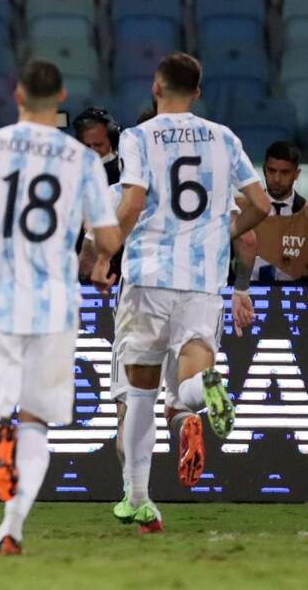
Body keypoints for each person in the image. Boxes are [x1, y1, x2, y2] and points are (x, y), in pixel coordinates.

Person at [90, 52, 271, 534]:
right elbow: (260, 206)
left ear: (155, 87)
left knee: (141, 396)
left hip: (148, 277)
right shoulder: (224, 138)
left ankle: (139, 500)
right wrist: (227, 228)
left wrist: (107, 252)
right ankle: (206, 388)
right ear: (198, 90)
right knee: (190, 376)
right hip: (202, 282)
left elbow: (130, 203)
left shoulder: (138, 137)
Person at [0, 59, 122, 556]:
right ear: (61, 95)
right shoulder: (84, 161)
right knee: (37, 422)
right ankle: (12, 528)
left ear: (17, 93)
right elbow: (108, 235)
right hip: (53, 306)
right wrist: (95, 244)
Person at [79, 186, 257, 521]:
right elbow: (247, 241)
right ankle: (199, 397)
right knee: (180, 401)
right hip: (200, 297)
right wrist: (242, 289)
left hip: (144, 297)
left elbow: (93, 245)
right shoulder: (213, 182)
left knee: (132, 407)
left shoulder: (125, 188)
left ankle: (136, 498)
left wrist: (91, 269)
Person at [251, 141, 305, 281]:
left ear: (296, 173)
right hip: (248, 296)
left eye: (285, 172)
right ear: (264, 170)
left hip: (297, 297)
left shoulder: (305, 214)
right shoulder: (245, 210)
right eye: (271, 171)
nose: (276, 179)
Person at [73, 107, 122, 184]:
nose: (92, 151)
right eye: (87, 146)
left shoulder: (124, 174)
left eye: (98, 145)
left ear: (113, 141)